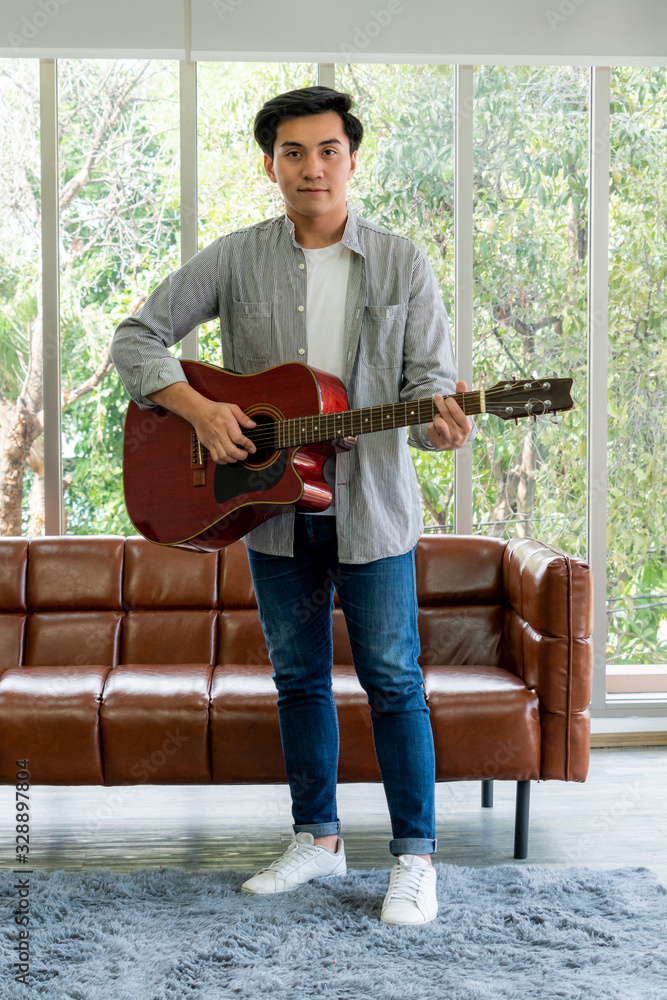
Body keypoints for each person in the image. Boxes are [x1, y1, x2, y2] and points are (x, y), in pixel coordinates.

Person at [111, 86, 473, 927]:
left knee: (392, 680)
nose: (313, 168)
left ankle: (415, 859)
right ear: (269, 163)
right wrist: (199, 410)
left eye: (328, 151)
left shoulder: (402, 263)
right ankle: (317, 839)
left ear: (352, 157)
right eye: (293, 153)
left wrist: (440, 427)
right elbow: (135, 337)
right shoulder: (235, 259)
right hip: (269, 511)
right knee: (297, 678)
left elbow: (425, 388)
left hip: (373, 511)